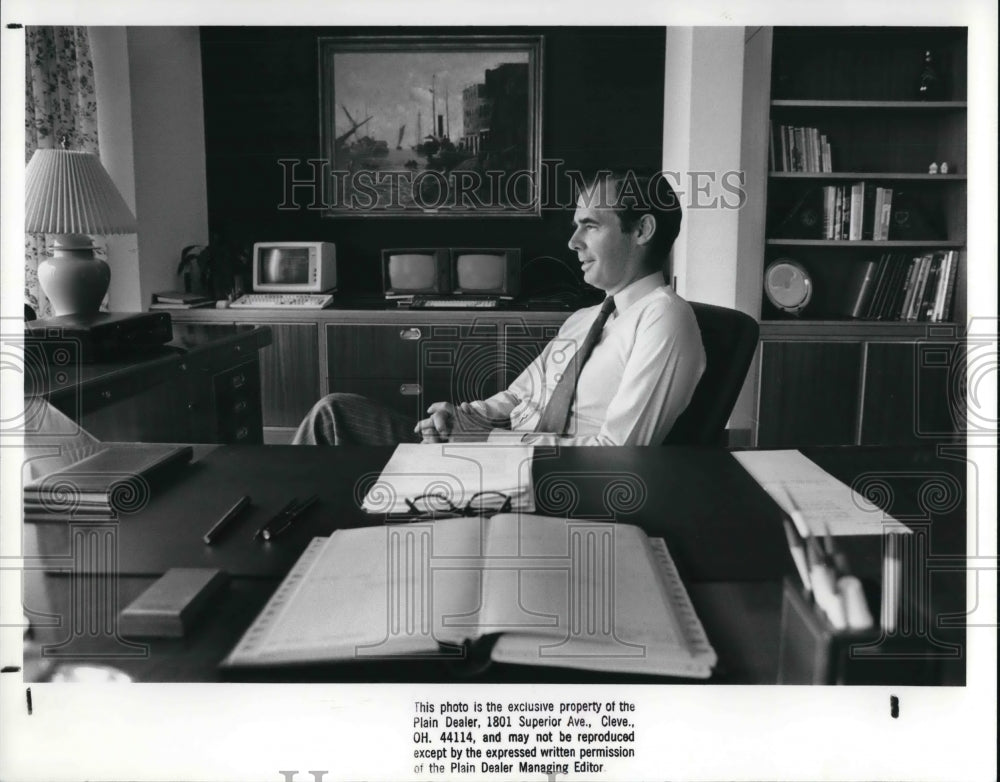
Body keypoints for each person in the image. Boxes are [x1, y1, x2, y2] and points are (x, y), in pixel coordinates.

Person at [293, 169, 706, 446]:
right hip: (496, 453)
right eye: (575, 226)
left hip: (542, 480)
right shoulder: (584, 319)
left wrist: (489, 441)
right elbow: (516, 396)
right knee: (334, 414)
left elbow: (616, 454)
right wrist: (463, 418)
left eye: (591, 225)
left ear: (643, 230)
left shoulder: (663, 316)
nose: (572, 242)